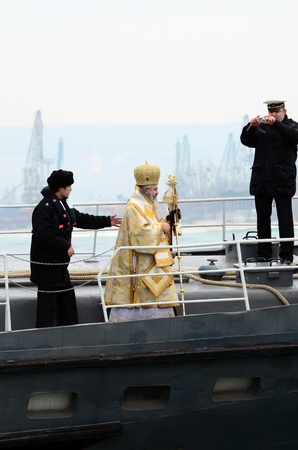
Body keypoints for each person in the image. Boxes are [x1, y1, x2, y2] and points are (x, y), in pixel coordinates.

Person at [30, 169, 122, 328]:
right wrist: (65, 245)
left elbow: (81, 219)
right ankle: (42, 342)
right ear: (60, 188)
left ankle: (71, 335)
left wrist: (107, 221)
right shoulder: (44, 208)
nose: (71, 189)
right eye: (69, 186)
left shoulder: (63, 204)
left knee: (68, 306)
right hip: (46, 269)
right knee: (46, 310)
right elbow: (42, 234)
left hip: (60, 268)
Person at [104, 162, 181, 322]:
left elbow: (153, 224)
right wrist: (161, 227)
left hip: (148, 260)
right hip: (136, 261)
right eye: (155, 189)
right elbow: (140, 233)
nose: (157, 192)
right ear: (146, 190)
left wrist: (169, 219)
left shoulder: (147, 205)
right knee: (141, 292)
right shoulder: (134, 207)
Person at [240, 99, 298, 263]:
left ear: (284, 112)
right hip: (262, 180)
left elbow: (294, 136)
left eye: (276, 112)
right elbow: (246, 140)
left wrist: (276, 125)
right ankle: (263, 253)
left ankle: (286, 256)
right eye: (270, 112)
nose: (273, 115)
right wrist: (251, 126)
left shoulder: (292, 126)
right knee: (262, 220)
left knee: (285, 220)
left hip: (282, 181)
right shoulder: (262, 128)